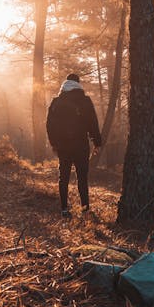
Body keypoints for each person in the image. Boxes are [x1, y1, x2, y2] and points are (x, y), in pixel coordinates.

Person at [46, 73, 101, 218]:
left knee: (63, 177)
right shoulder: (85, 101)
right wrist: (97, 142)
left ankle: (64, 209)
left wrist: (54, 143)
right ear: (78, 84)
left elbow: (49, 125)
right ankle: (85, 209)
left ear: (65, 84)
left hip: (63, 146)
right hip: (81, 144)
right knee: (82, 177)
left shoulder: (56, 102)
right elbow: (93, 123)